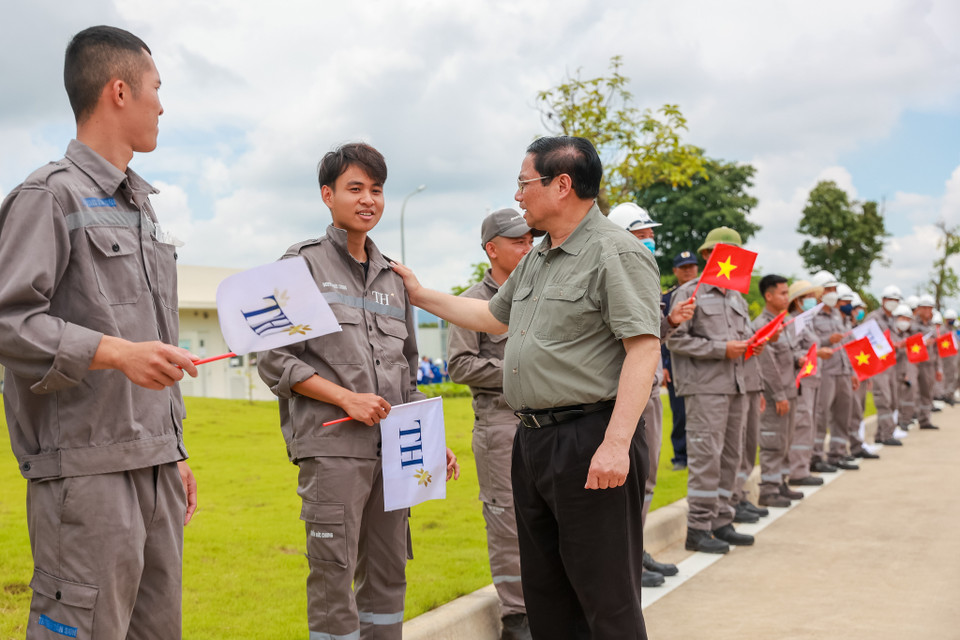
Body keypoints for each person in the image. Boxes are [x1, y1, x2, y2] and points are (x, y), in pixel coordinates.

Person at [393, 136, 662, 640]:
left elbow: (643, 349)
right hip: (533, 440)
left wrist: (617, 443)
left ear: (562, 185)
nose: (518, 196)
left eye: (524, 183)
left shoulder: (615, 252)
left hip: (590, 440)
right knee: (548, 596)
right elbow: (491, 317)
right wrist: (418, 293)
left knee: (606, 596)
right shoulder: (540, 257)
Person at [0, 26, 200, 638]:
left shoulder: (142, 208)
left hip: (156, 465)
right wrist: (113, 353)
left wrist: (175, 450)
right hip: (87, 475)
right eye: (156, 89)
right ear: (119, 91)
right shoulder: (47, 196)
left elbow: (149, 330)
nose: (162, 105)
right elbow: (8, 321)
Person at [257, 143, 459, 640]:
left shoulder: (394, 278)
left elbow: (407, 369)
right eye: (355, 188)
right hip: (332, 449)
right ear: (327, 195)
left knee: (389, 574)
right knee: (332, 576)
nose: (368, 199)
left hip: (396, 452)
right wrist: (346, 398)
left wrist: (430, 441)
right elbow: (275, 360)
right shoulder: (298, 266)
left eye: (376, 189)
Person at [446, 208, 537, 639]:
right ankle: (516, 616)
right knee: (507, 520)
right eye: (519, 241)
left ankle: (546, 607)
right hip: (501, 425)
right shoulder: (471, 301)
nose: (529, 246)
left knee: (546, 518)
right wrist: (520, 371)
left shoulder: (540, 291)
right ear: (492, 248)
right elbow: (459, 365)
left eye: (530, 239)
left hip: (548, 423)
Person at [607, 203, 695, 586]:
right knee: (626, 483)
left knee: (647, 480)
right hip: (626, 394)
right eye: (641, 235)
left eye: (649, 235)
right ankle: (623, 561)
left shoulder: (644, 277)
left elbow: (647, 334)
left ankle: (635, 551)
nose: (650, 242)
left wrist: (670, 322)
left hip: (652, 390)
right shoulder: (612, 274)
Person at [666, 226, 761, 554]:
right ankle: (698, 527)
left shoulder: (737, 298)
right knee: (707, 457)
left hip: (736, 386)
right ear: (709, 255)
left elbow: (741, 339)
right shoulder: (690, 293)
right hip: (705, 389)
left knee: (731, 456)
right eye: (726, 252)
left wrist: (751, 345)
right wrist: (722, 349)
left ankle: (721, 520)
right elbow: (675, 339)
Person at [753, 275, 803, 507]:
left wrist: (798, 360)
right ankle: (769, 489)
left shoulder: (785, 322)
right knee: (772, 442)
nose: (787, 297)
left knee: (785, 441)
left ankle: (780, 482)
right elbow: (766, 364)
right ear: (768, 295)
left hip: (790, 391)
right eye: (782, 293)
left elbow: (785, 357)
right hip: (775, 396)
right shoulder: (763, 324)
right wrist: (779, 395)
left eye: (787, 292)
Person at [810, 271, 859, 471]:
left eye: (834, 289)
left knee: (842, 414)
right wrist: (826, 341)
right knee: (820, 416)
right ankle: (815, 456)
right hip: (825, 372)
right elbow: (808, 344)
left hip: (843, 371)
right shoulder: (812, 315)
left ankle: (837, 453)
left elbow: (846, 345)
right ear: (818, 292)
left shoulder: (838, 314)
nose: (833, 293)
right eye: (829, 289)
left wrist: (853, 372)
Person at [785, 280, 828, 486]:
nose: (813, 300)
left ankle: (804, 466)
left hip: (812, 379)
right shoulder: (795, 322)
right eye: (808, 297)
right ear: (798, 301)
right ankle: (797, 471)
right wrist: (815, 353)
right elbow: (791, 351)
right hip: (801, 381)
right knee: (802, 424)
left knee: (808, 424)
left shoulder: (806, 321)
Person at [662, 250, 699, 471]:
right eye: (683, 267)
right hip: (675, 363)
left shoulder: (706, 293)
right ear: (675, 271)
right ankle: (681, 455)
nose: (688, 271)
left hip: (703, 364)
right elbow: (664, 332)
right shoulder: (667, 297)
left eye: (691, 266)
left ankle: (697, 454)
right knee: (679, 412)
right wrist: (664, 366)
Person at [865, 285, 903, 448]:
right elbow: (866, 340)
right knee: (884, 399)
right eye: (890, 299)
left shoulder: (893, 319)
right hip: (878, 366)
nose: (893, 303)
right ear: (883, 300)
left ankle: (881, 433)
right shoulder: (873, 318)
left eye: (896, 300)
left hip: (890, 364)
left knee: (893, 400)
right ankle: (886, 434)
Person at [912, 294, 941, 430]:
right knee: (911, 391)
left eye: (930, 309)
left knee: (927, 393)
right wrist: (922, 342)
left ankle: (925, 420)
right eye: (925, 308)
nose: (928, 311)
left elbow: (937, 350)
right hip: (914, 363)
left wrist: (938, 368)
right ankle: (906, 419)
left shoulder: (932, 328)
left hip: (929, 364)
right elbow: (908, 342)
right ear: (919, 309)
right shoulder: (911, 324)